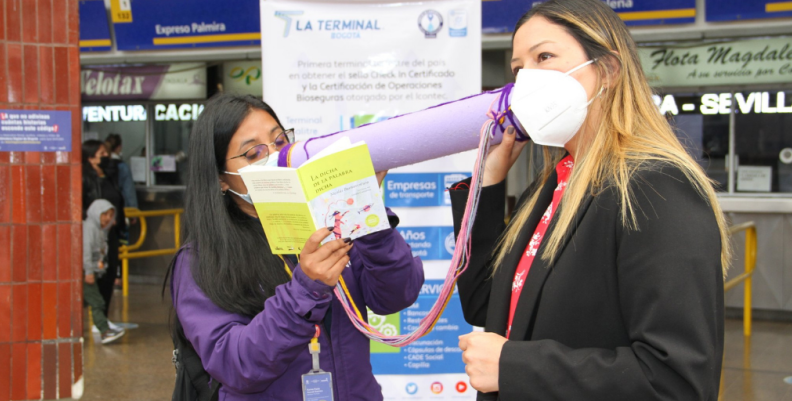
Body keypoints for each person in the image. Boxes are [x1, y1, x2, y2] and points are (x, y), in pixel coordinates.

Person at [450, 1, 731, 400]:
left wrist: (515, 366)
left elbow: (676, 380)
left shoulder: (655, 188)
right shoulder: (554, 184)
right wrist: (489, 181)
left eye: (544, 56)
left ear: (608, 70)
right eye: (518, 68)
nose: (527, 79)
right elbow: (486, 305)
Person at [168, 94, 424, 400]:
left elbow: (396, 296)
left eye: (279, 142)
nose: (275, 157)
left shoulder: (326, 222)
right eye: (253, 153)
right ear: (221, 178)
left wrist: (367, 216)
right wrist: (305, 289)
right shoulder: (199, 260)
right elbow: (235, 365)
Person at [82, 140, 126, 325]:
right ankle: (97, 321)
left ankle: (103, 319)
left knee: (109, 274)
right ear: (90, 157)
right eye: (101, 154)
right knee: (95, 276)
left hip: (111, 234)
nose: (106, 157)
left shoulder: (109, 176)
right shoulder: (84, 178)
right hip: (94, 234)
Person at [82, 199, 126, 344]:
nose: (107, 218)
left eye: (110, 215)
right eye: (105, 214)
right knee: (97, 302)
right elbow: (86, 251)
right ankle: (104, 331)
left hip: (92, 271)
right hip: (86, 272)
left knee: (87, 301)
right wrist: (89, 271)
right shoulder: (89, 228)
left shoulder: (100, 230)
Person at [104, 133, 139, 210]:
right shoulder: (123, 166)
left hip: (104, 208)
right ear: (119, 147)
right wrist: (134, 210)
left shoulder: (101, 165)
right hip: (120, 207)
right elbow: (129, 191)